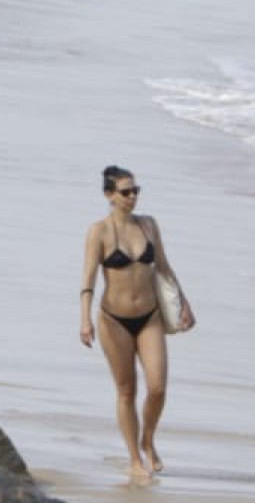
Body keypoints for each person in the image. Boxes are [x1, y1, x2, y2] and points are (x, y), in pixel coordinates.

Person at [78, 166, 195, 483]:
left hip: (150, 316)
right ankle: (134, 458)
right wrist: (84, 319)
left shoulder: (149, 225)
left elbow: (164, 267)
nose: (132, 197)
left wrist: (184, 301)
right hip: (113, 320)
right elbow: (88, 279)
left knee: (157, 388)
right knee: (126, 391)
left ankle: (148, 440)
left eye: (135, 191)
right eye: (125, 192)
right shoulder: (99, 231)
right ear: (109, 195)